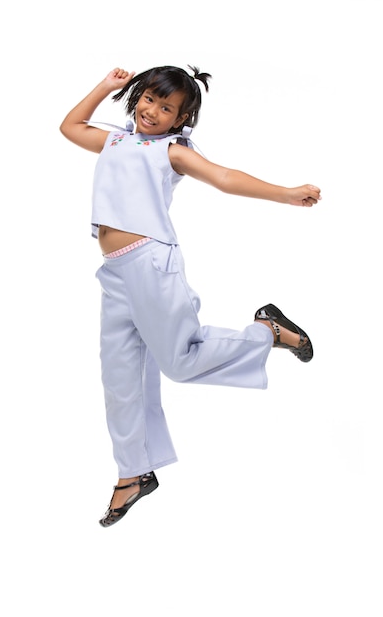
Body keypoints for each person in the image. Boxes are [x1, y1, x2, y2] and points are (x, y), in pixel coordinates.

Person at [59, 65, 321, 528]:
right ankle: (133, 473)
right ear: (136, 95)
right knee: (120, 378)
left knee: (180, 360)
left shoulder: (171, 151)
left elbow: (223, 177)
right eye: (149, 100)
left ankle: (267, 331)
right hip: (115, 273)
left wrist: (285, 194)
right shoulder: (117, 140)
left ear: (180, 120)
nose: (153, 112)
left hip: (151, 265)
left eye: (167, 109)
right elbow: (70, 127)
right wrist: (104, 87)